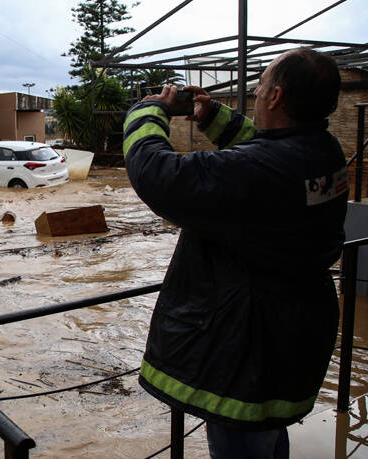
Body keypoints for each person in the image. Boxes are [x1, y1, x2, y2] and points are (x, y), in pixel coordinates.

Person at [123, 48, 348, 458]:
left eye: (261, 85)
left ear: (276, 97)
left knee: (245, 442)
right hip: (292, 338)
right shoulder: (324, 152)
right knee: (268, 437)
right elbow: (269, 149)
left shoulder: (256, 172)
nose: (257, 93)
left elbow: (158, 176)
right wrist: (212, 117)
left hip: (246, 353)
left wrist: (147, 111)